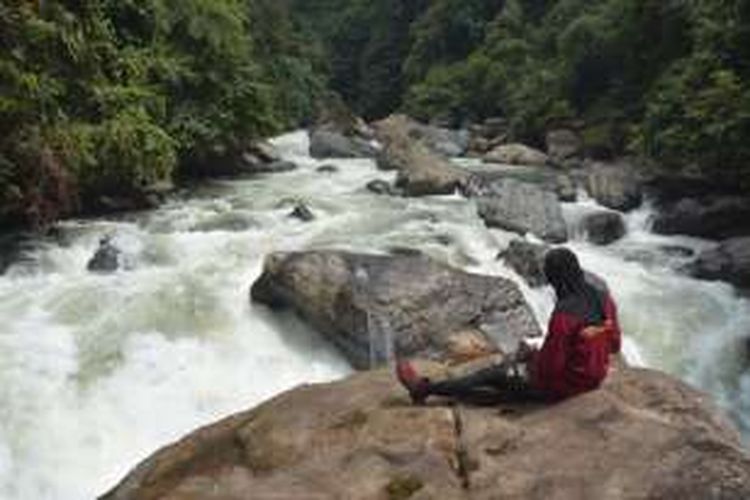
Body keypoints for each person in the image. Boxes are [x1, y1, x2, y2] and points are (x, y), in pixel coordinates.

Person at [396, 247, 621, 404]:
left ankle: (424, 389)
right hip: (595, 376)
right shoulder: (603, 298)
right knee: (506, 377)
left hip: (567, 385)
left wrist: (531, 359)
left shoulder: (565, 315)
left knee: (495, 376)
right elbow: (614, 344)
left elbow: (550, 369)